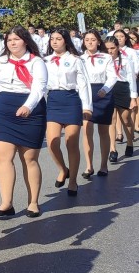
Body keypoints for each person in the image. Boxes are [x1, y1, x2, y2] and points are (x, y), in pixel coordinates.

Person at [0, 26, 48, 218]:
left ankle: (33, 202)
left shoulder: (37, 62)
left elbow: (39, 88)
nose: (12, 43)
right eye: (9, 40)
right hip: (4, 111)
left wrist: (28, 106)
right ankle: (7, 203)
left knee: (29, 159)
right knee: (4, 158)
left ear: (25, 41)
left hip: (31, 111)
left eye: (16, 39)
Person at [44, 28, 91, 196]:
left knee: (71, 143)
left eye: (58, 38)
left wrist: (87, 107)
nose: (54, 41)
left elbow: (84, 84)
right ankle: (63, 169)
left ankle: (73, 181)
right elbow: (40, 85)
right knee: (52, 142)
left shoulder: (75, 60)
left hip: (71, 100)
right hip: (54, 100)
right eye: (52, 39)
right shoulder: (45, 60)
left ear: (65, 40)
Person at [81, 30, 113, 178]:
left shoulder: (106, 57)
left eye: (93, 40)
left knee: (103, 132)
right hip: (86, 94)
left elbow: (112, 76)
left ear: (99, 42)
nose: (90, 42)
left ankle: (103, 165)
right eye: (87, 40)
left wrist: (105, 89)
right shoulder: (79, 59)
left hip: (102, 93)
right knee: (87, 130)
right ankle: (89, 166)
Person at [104, 36, 137, 163]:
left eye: (112, 48)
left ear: (118, 47)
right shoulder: (103, 60)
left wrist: (133, 97)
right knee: (111, 120)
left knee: (126, 120)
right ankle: (113, 149)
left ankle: (129, 141)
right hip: (108, 89)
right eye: (107, 49)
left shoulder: (126, 60)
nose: (110, 51)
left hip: (123, 89)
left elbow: (131, 79)